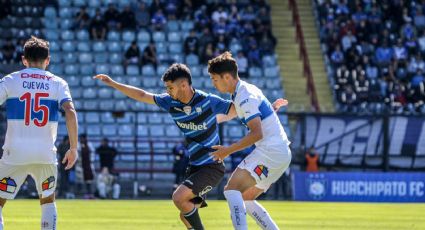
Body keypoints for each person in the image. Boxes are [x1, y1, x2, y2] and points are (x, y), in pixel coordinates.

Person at [93, 64, 286, 230]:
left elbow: (241, 109)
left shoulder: (208, 101)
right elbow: (143, 95)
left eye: (170, 87)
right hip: (194, 167)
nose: (167, 91)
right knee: (184, 214)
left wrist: (268, 108)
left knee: (179, 197)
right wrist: (113, 83)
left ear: (183, 85)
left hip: (212, 166)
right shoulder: (170, 102)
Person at [0, 36, 78, 230]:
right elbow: (70, 111)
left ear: (24, 59)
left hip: (14, 153)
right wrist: (73, 148)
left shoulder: (11, 80)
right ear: (47, 60)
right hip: (44, 153)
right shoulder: (58, 83)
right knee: (48, 200)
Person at [208, 51, 291, 230]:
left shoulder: (244, 96)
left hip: (271, 151)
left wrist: (227, 150)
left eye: (215, 79)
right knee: (245, 198)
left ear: (227, 77)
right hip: (281, 153)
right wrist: (273, 108)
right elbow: (258, 118)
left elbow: (257, 134)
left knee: (231, 189)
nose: (213, 83)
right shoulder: (245, 91)